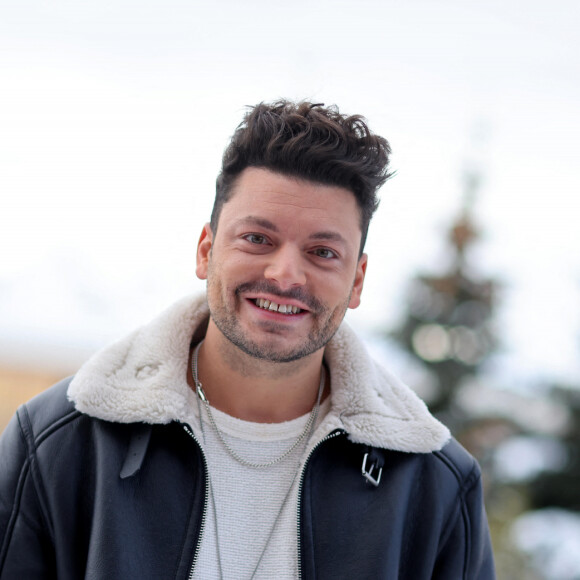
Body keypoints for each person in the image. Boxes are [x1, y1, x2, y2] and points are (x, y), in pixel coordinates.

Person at [0, 100, 495, 579]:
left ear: (357, 281)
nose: (284, 275)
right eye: (257, 239)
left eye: (322, 252)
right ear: (206, 250)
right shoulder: (60, 442)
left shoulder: (433, 485)